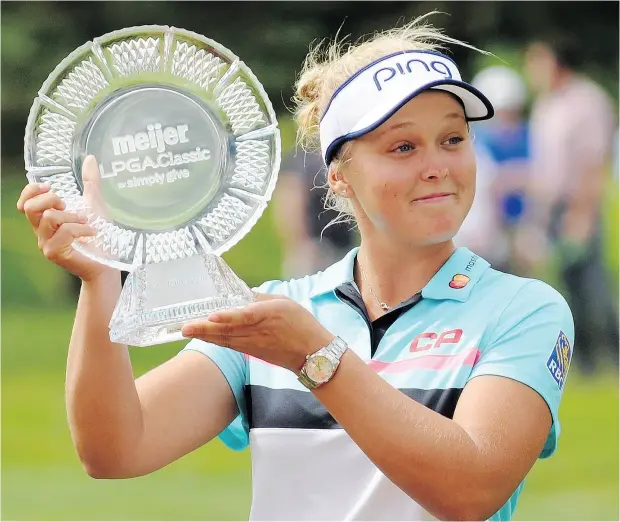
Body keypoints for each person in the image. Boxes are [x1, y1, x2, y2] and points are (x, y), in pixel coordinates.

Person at [18, 14, 574, 521]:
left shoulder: (523, 310)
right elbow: (114, 448)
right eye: (402, 148)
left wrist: (315, 357)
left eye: (453, 139)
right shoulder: (277, 314)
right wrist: (100, 277)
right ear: (338, 175)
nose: (437, 166)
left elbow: (472, 490)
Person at [523, 37, 618, 375]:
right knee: (565, 284)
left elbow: (593, 163)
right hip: (551, 209)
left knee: (592, 284)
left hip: (579, 205)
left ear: (555, 62)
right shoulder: (545, 106)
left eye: (536, 61)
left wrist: (582, 213)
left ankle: (613, 353)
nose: (531, 71)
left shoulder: (586, 101)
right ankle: (586, 361)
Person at [454, 66, 533, 275]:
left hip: (512, 227)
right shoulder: (475, 144)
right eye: (503, 114)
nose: (508, 122)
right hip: (481, 235)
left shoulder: (526, 137)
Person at [273, 147, 358, 278]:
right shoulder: (300, 160)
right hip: (315, 248)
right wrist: (299, 244)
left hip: (343, 247)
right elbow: (290, 206)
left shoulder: (337, 153)